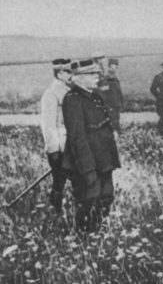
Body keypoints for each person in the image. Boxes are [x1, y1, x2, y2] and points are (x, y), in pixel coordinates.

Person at [62, 59, 120, 233]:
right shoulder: (73, 100)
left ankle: (99, 236)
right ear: (78, 78)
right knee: (89, 201)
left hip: (103, 162)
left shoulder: (94, 96)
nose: (97, 76)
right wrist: (88, 170)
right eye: (92, 74)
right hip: (87, 165)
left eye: (97, 73)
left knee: (106, 197)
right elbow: (77, 138)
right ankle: (84, 240)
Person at [40, 58, 73, 214]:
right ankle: (55, 212)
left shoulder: (67, 90)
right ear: (59, 73)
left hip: (70, 144)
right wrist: (53, 149)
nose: (70, 74)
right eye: (67, 71)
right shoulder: (51, 93)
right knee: (59, 182)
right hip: (59, 145)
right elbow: (48, 124)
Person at [97, 58, 124, 134]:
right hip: (111, 104)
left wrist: (121, 101)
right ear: (109, 66)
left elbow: (118, 91)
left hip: (116, 103)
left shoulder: (114, 77)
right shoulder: (108, 77)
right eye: (114, 66)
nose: (115, 67)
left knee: (116, 120)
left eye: (116, 66)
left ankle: (118, 134)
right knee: (113, 121)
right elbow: (103, 91)